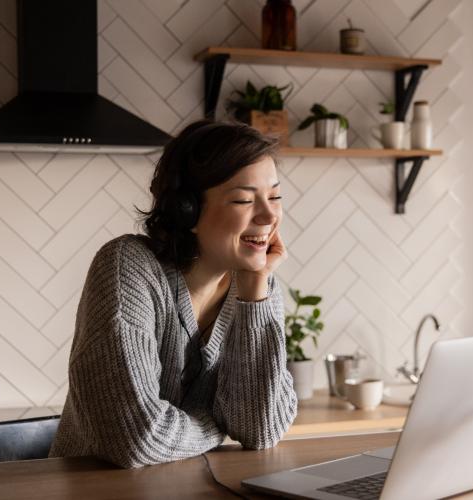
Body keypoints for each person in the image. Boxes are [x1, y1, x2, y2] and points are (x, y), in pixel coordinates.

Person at [49, 120, 298, 467]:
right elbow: (136, 438)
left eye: (275, 196)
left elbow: (260, 430)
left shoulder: (259, 289)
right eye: (244, 199)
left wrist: (255, 295)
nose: (269, 215)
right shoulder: (128, 267)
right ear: (188, 210)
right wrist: (216, 424)